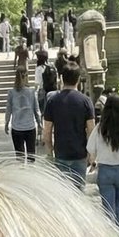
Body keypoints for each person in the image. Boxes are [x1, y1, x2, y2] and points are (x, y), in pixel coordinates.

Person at [86, 93, 119, 227]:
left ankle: (112, 236)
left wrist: (93, 163)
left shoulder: (100, 128)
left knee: (108, 208)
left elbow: (90, 149)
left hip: (105, 171)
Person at [42, 61, 95, 190]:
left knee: (63, 194)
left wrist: (49, 152)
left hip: (61, 153)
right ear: (78, 79)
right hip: (80, 153)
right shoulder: (85, 101)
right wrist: (91, 154)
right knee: (79, 193)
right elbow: (91, 130)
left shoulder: (52, 101)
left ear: (61, 78)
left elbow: (47, 131)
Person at [5, 65, 41, 163]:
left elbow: (8, 109)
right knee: (31, 156)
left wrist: (6, 122)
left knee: (19, 157)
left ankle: (22, 175)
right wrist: (39, 123)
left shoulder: (11, 92)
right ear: (26, 76)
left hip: (17, 128)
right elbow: (36, 109)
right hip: (30, 127)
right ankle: (29, 176)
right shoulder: (31, 91)